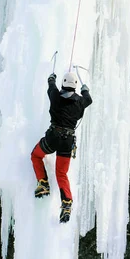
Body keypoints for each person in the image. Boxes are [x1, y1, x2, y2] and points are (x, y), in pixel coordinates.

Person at [31, 71, 92, 223]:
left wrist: (52, 78)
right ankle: (66, 203)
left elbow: (50, 85)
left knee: (36, 155)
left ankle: (43, 182)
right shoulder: (80, 101)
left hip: (53, 138)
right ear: (75, 87)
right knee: (61, 173)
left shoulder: (55, 96)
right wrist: (84, 89)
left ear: (64, 84)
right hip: (67, 141)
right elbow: (88, 99)